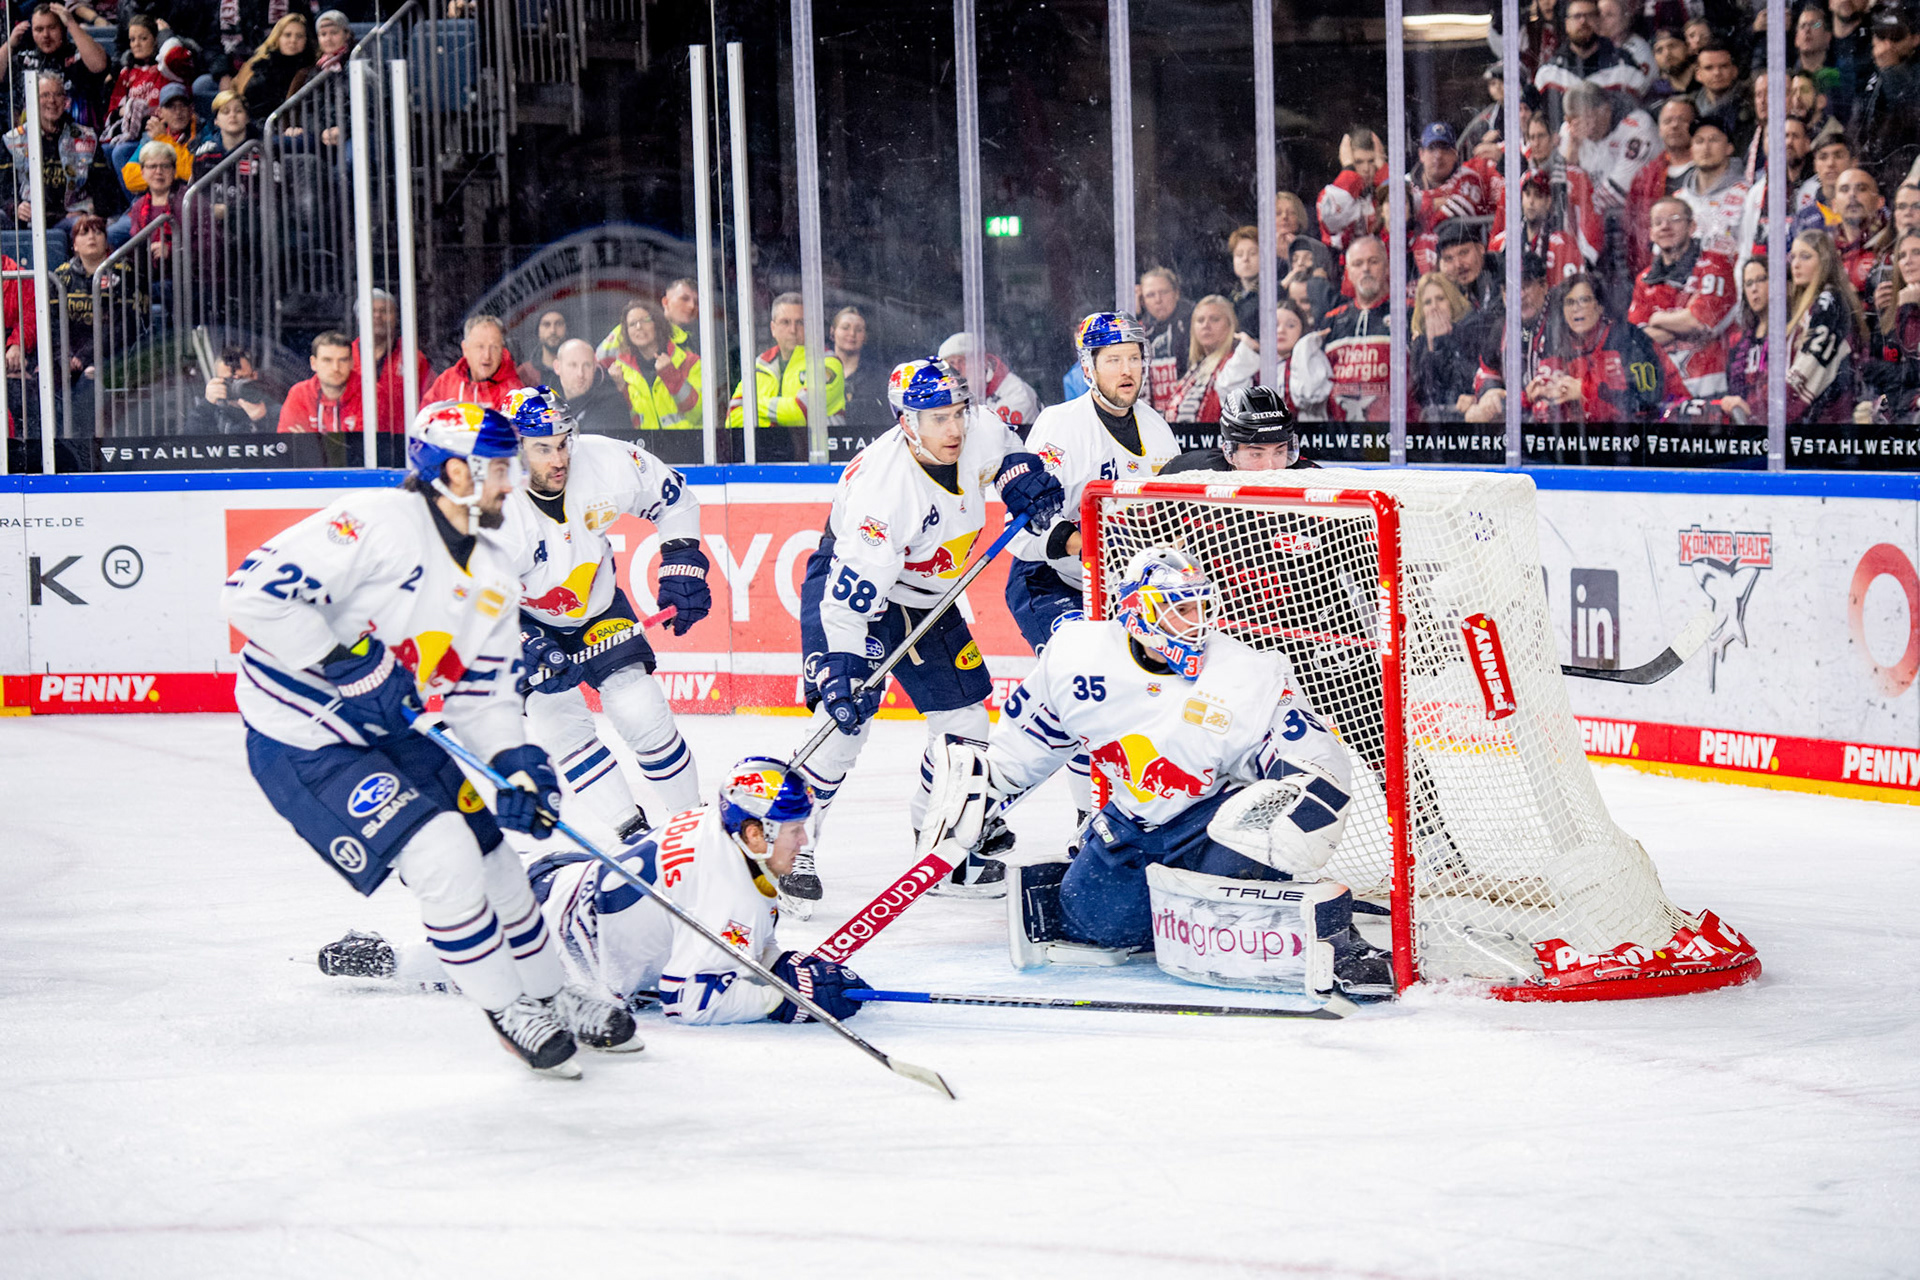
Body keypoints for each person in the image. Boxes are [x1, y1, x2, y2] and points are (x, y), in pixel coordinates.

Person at [223, 401, 639, 1076]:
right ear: (453, 471)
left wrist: (518, 761)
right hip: (304, 738)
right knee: (445, 856)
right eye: (499, 468)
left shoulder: (494, 567)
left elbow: (482, 692)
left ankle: (552, 992)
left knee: (498, 862)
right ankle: (508, 1010)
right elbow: (248, 594)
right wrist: (344, 662)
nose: (511, 483)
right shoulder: (374, 524)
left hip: (391, 730)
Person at [930, 546, 1390, 1000]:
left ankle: (1325, 924)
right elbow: (1024, 751)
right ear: (1137, 611)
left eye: (1200, 607)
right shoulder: (1076, 656)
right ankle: (1181, 907)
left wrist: (1300, 812)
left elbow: (1315, 761)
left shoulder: (1247, 673)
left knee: (1224, 924)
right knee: (1094, 927)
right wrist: (981, 787)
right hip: (1134, 821)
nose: (1196, 623)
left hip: (1216, 824)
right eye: (1179, 609)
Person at [788, 357, 1063, 907]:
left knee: (964, 723)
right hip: (857, 596)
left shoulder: (978, 429)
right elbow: (845, 601)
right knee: (844, 724)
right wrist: (840, 666)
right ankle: (790, 841)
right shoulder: (882, 494)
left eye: (958, 412)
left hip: (929, 597)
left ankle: (939, 848)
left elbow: (1010, 454)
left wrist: (1023, 479)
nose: (955, 428)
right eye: (938, 418)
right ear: (906, 422)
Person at [315, 759, 871, 1029]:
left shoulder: (715, 827)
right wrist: (783, 1002)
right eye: (795, 829)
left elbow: (726, 936)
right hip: (546, 944)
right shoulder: (730, 888)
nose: (804, 840)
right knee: (453, 967)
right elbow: (691, 999)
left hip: (559, 884)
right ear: (756, 833)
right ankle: (388, 960)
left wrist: (785, 963)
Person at [498, 386, 713, 844]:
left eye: (562, 443)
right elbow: (465, 597)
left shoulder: (603, 461)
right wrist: (519, 645)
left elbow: (672, 497)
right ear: (515, 449)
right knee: (559, 724)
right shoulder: (491, 505)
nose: (559, 459)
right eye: (542, 449)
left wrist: (682, 563)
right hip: (522, 622)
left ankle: (694, 830)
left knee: (640, 707)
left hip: (597, 609)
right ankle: (634, 835)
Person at [1005, 312, 1178, 654]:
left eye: (1134, 358)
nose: (1127, 370)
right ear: (1089, 368)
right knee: (1083, 665)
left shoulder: (1157, 429)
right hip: (1050, 578)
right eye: (1114, 360)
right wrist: (1086, 543)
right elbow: (1020, 526)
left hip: (1122, 585)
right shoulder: (1060, 425)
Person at [1527, 273, 1684, 423]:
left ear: (1600, 306)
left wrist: (1584, 391)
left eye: (1584, 300)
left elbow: (1646, 404)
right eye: (1569, 302)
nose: (1576, 308)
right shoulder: (1557, 345)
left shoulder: (1628, 340)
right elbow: (1546, 407)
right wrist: (1531, 396)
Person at [1629, 196, 1737, 397]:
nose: (1665, 226)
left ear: (1692, 226)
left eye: (1674, 219)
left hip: (1711, 386)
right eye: (1658, 222)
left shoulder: (1715, 264)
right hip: (1664, 388)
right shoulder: (1644, 279)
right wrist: (1679, 323)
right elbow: (1636, 340)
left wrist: (1656, 319)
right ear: (1651, 233)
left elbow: (1699, 323)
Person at [725, 292, 845, 453]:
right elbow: (732, 418)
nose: (793, 330)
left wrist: (753, 405)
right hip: (769, 458)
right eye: (785, 322)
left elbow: (800, 412)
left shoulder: (827, 363)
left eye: (800, 322)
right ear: (773, 329)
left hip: (822, 459)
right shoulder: (760, 364)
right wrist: (779, 418)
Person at [4, 75, 117, 235]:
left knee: (82, 225)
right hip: (28, 221)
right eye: (45, 95)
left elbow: (102, 186)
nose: (52, 101)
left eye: (57, 94)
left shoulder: (86, 138)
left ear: (66, 101)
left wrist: (91, 213)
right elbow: (4, 189)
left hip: (72, 218)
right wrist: (14, 207)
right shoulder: (11, 141)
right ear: (31, 101)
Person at [1783, 229, 1866, 423]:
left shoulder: (1829, 303)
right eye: (1793, 256)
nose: (1796, 264)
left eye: (1806, 257)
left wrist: (1774, 405)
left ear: (1825, 261)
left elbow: (1809, 369)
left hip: (1829, 424)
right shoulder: (1813, 305)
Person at [1535, 0, 1650, 128]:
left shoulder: (1624, 66)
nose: (1583, 21)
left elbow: (1636, 119)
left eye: (1589, 15)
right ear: (1566, 24)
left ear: (1599, 21)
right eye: (1577, 16)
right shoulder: (1549, 72)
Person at [1161, 382, 1315, 474]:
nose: (1270, 467)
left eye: (1279, 452)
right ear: (1230, 453)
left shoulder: (1313, 480)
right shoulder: (1186, 471)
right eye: (1256, 454)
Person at [3, 2, 111, 128]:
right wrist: (9, 45)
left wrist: (71, 24)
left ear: (62, 28)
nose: (45, 35)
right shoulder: (24, 59)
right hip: (32, 141)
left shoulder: (78, 55)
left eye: (52, 27)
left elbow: (99, 65)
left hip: (80, 138)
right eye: (39, 29)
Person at [100, 14, 193, 159]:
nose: (136, 44)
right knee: (105, 149)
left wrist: (166, 36)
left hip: (163, 130)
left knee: (121, 153)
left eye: (143, 38)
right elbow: (112, 110)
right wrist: (125, 110)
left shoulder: (166, 69)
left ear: (156, 39)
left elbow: (175, 58)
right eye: (132, 39)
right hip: (132, 131)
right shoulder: (127, 72)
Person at [1322, 235, 1392, 424]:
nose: (1366, 269)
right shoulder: (1332, 320)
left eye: (1373, 261)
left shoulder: (1406, 314)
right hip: (1340, 436)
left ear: (1387, 267)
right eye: (1358, 264)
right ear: (1349, 273)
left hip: (1389, 431)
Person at [1407, 122, 1493, 277]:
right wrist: (1433, 204)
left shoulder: (1469, 177)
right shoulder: (1405, 183)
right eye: (1432, 148)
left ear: (1455, 154)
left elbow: (1460, 209)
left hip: (1456, 267)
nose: (1438, 155)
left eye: (1445, 149)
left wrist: (1417, 209)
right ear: (1421, 154)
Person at [600, 297, 699, 431]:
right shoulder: (620, 371)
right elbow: (624, 424)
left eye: (645, 320)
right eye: (632, 324)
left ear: (657, 323)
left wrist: (671, 376)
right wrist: (621, 388)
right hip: (644, 448)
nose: (639, 327)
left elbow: (700, 414)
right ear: (626, 333)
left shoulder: (689, 361)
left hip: (688, 444)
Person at [1854, 4, 1920, 195]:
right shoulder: (1868, 70)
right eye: (1881, 36)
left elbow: (1909, 119)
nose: (1888, 45)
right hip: (1870, 170)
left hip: (1906, 172)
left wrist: (1890, 71)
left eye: (1896, 37)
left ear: (1915, 39)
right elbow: (1858, 124)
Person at [1162, 295, 1256, 428]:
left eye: (1215, 319)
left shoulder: (1236, 364)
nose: (1206, 325)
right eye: (1200, 320)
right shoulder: (1196, 368)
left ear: (1230, 326)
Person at [353, 289, 433, 433]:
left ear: (395, 317)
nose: (377, 315)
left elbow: (430, 404)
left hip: (402, 442)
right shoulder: (343, 358)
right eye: (371, 311)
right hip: (354, 442)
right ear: (358, 319)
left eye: (384, 311)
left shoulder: (413, 359)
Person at [1860, 228, 1920, 421]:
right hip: (1897, 409)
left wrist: (1909, 310)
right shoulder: (1892, 308)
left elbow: (1915, 370)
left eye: (1916, 252)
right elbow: (1869, 368)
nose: (1907, 261)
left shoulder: (1905, 307)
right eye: (1901, 256)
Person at [1493, 168, 1584, 287]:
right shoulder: (1504, 241)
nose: (1531, 201)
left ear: (1548, 201)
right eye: (1527, 194)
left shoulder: (1562, 244)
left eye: (1538, 195)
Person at [1410, 272, 1481, 420]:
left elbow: (1464, 386)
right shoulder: (1419, 345)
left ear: (1451, 301)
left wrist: (1447, 341)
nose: (1434, 307)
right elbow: (1424, 397)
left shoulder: (1472, 333)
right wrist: (1433, 349)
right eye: (1428, 302)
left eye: (1440, 299)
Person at [1676, 112, 1750, 249]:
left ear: (1729, 148)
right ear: (1691, 150)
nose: (1706, 147)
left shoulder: (1747, 194)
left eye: (1713, 139)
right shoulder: (1679, 199)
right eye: (1699, 141)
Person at [938, 331, 1041, 428]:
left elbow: (998, 442)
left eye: (963, 361)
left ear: (983, 362)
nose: (957, 368)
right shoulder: (948, 394)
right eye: (951, 363)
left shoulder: (1016, 393)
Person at [118, 83, 204, 196]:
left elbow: (192, 172)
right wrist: (171, 174)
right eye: (171, 107)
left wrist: (163, 139)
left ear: (191, 109)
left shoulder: (202, 132)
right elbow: (130, 178)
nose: (178, 112)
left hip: (187, 198)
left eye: (183, 105)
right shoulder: (153, 134)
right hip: (154, 196)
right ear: (160, 112)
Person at [424, 314, 523, 411]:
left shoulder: (513, 392)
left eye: (494, 347)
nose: (487, 355)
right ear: (465, 349)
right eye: (480, 346)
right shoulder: (447, 381)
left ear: (502, 350)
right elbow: (425, 418)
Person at [1316, 126, 1387, 255]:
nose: (1366, 168)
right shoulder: (1330, 195)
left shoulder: (1380, 193)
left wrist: (1383, 169)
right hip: (1344, 268)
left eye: (1371, 161)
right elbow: (1334, 217)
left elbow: (1403, 212)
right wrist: (1349, 169)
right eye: (1358, 162)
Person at [1718, 254, 1770, 423]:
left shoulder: (1790, 333)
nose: (1754, 288)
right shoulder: (1737, 341)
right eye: (1748, 283)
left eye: (1761, 279)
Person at [278, 330, 363, 432]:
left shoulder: (370, 394)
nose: (335, 368)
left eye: (343, 360)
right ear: (313, 363)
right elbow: (290, 443)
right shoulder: (300, 394)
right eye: (327, 360)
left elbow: (373, 444)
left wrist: (310, 441)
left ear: (351, 363)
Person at [234, 14, 315, 119]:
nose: (293, 40)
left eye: (299, 36)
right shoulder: (255, 64)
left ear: (306, 40)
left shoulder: (312, 70)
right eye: (287, 35)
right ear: (278, 37)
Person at [1137, 266, 1192, 413]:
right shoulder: (1140, 331)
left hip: (1185, 413)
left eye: (1164, 292)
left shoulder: (1194, 323)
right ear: (1142, 300)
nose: (1158, 300)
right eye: (1150, 295)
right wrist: (1133, 316)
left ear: (1176, 293)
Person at [550, 337, 631, 434]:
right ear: (557, 367)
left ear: (595, 367)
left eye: (587, 365)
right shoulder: (549, 403)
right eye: (573, 365)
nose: (580, 373)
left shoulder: (611, 405)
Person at [1268, 299, 1331, 421]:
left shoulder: (1311, 358)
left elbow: (1310, 395)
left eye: (1291, 325)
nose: (1281, 330)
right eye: (1275, 325)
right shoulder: (1258, 366)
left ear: (1302, 330)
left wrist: (1304, 348)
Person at [192, 343, 278, 432]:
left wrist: (262, 420)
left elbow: (283, 442)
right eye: (229, 381)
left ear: (254, 376)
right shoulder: (210, 413)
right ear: (217, 381)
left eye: (242, 379)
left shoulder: (274, 411)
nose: (236, 386)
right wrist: (206, 405)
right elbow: (190, 441)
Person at [1833, 167, 1893, 296]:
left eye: (1861, 189)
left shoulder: (1892, 245)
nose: (1852, 195)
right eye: (1844, 189)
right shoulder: (1827, 251)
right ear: (1834, 205)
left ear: (1879, 202)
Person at [1690, 40, 1753, 152]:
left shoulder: (1750, 102)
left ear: (1734, 71)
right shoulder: (1690, 107)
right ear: (1698, 74)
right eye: (1709, 68)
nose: (1717, 73)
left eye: (1723, 66)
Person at [832, 305, 888, 428]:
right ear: (832, 332)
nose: (852, 333)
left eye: (858, 330)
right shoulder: (818, 371)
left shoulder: (880, 377)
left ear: (865, 336)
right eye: (845, 328)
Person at [191, 89, 258, 178]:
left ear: (247, 118)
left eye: (238, 111)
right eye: (225, 112)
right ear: (216, 121)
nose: (232, 115)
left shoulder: (262, 149)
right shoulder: (205, 154)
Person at [1225, 224, 1262, 336]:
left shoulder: (1271, 293)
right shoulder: (1231, 298)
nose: (1245, 259)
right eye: (1239, 255)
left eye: (1253, 253)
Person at [523, 308, 567, 389]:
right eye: (546, 324)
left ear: (566, 329)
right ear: (538, 331)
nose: (553, 331)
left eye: (559, 324)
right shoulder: (525, 373)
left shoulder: (580, 368)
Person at [1649, 25, 1697, 97]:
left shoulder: (1707, 81)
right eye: (1659, 50)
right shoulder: (1656, 93)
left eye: (1672, 46)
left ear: (1688, 48)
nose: (1667, 53)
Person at [659, 277, 700, 351]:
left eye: (696, 302)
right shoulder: (651, 336)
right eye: (684, 299)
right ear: (666, 302)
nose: (692, 306)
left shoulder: (702, 341)